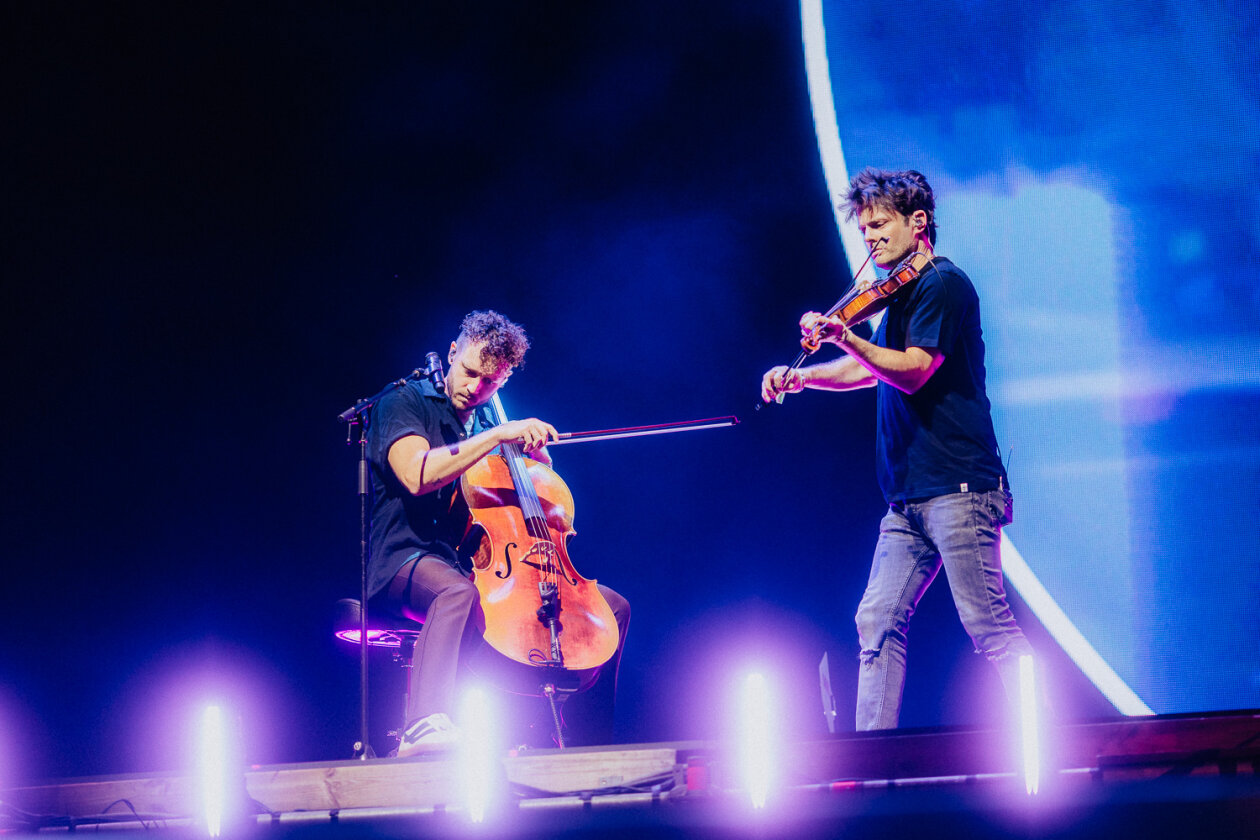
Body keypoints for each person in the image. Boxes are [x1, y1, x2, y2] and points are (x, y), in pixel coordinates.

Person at [761, 168, 1033, 730]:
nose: (870, 238)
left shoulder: (940, 284)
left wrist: (845, 335)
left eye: (880, 225)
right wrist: (805, 378)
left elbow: (911, 372)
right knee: (877, 619)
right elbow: (869, 373)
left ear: (918, 222)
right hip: (908, 498)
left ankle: (1048, 743)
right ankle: (871, 758)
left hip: (960, 488)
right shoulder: (898, 295)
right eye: (863, 230)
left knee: (989, 627)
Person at [367, 309, 630, 754]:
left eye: (490, 382)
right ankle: (424, 724)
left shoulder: (487, 424)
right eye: (469, 373)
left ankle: (590, 736)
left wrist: (531, 469)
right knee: (456, 595)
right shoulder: (403, 402)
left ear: (504, 380)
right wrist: (498, 437)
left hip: (469, 563)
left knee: (611, 611)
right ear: (453, 353)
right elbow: (416, 474)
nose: (476, 388)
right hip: (404, 557)